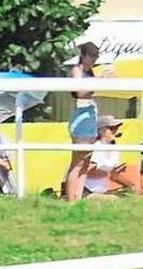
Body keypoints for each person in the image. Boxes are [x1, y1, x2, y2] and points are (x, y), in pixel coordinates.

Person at [64, 40, 101, 202]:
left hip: (91, 117)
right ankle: (71, 198)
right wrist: (99, 82)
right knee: (78, 161)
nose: (94, 60)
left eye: (96, 56)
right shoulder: (76, 70)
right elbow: (79, 92)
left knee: (86, 161)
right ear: (83, 56)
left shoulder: (92, 73)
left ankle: (78, 197)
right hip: (80, 117)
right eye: (91, 56)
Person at [80, 115, 143, 197]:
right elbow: (86, 172)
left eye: (116, 128)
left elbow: (114, 175)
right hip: (85, 190)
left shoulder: (115, 149)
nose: (115, 131)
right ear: (101, 131)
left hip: (101, 191)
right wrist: (108, 171)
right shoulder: (94, 147)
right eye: (112, 128)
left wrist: (131, 185)